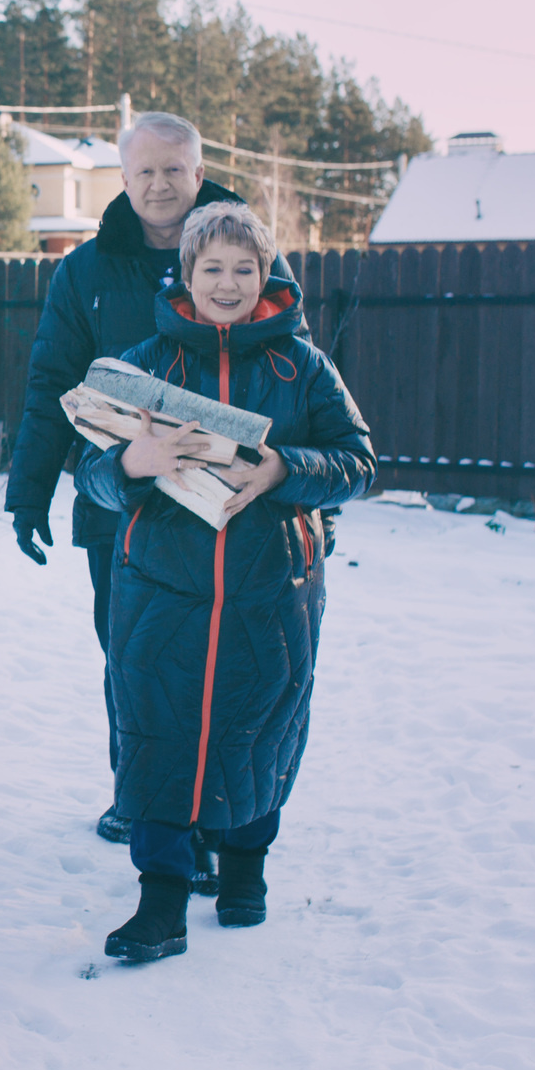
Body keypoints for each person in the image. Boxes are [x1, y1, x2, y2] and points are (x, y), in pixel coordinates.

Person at [75, 201, 374, 963]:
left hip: (270, 588)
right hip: (159, 590)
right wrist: (132, 463)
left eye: (245, 268)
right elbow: (92, 477)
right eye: (212, 267)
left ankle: (245, 867)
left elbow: (359, 462)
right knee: (157, 730)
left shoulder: (302, 366)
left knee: (258, 724)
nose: (228, 283)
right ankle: (161, 900)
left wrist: (282, 468)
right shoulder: (146, 364)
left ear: (267, 274)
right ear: (186, 273)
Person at [3, 112, 284, 849]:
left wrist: (301, 497)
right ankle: (141, 799)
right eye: (145, 172)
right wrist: (29, 494)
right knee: (135, 662)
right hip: (123, 508)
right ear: (123, 180)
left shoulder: (249, 256)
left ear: (200, 172)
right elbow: (52, 384)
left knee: (226, 666)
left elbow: (294, 387)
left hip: (230, 510)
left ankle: (219, 812)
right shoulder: (86, 272)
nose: (160, 185)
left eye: (174, 169)